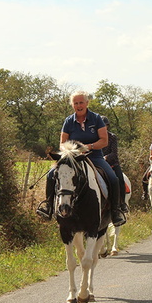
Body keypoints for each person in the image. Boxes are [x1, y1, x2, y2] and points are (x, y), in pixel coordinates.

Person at [36, 91, 127, 227]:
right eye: (76, 103)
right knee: (50, 175)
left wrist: (88, 147)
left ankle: (115, 212)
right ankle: (48, 205)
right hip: (73, 158)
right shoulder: (68, 121)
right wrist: (72, 150)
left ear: (87, 103)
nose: (79, 106)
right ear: (72, 105)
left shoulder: (96, 119)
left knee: (113, 178)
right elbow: (62, 143)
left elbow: (104, 141)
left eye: (81, 103)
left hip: (94, 156)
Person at [101, 116, 128, 213]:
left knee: (120, 179)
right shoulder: (95, 138)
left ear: (107, 126)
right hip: (99, 164)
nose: (103, 127)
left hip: (112, 163)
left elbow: (114, 153)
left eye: (104, 125)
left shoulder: (112, 137)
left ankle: (122, 203)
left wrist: (105, 158)